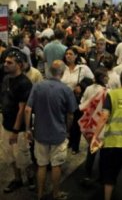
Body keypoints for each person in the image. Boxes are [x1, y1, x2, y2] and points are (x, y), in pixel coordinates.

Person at [25, 60, 78, 200]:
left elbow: (28, 109)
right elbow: (71, 114)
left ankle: (40, 194)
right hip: (58, 133)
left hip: (39, 133)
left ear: (50, 71)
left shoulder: (37, 86)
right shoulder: (66, 90)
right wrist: (67, 129)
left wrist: (28, 129)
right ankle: (56, 193)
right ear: (62, 72)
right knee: (56, 165)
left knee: (41, 165)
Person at [91, 69, 122, 200]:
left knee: (109, 175)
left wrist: (95, 136)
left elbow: (104, 117)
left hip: (113, 141)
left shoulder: (112, 94)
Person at [1, 50, 35, 193]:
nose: (5, 65)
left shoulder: (24, 83)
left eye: (9, 63)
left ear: (19, 65)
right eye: (5, 62)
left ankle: (31, 178)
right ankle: (17, 179)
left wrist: (15, 131)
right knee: (11, 156)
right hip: (6, 124)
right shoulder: (6, 78)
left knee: (23, 157)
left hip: (19, 129)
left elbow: (22, 109)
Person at [61, 47, 94, 154]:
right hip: (63, 100)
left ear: (76, 56)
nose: (68, 56)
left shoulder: (82, 68)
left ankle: (75, 146)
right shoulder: (62, 68)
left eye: (71, 54)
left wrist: (81, 86)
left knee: (76, 123)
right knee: (66, 122)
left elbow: (93, 80)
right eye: (66, 54)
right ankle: (69, 141)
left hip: (76, 100)